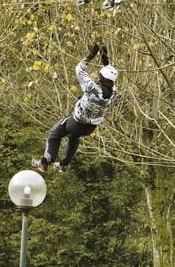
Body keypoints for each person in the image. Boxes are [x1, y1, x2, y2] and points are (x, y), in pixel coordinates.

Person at [33, 44, 117, 173]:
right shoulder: (113, 93)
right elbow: (109, 77)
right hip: (90, 127)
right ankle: (63, 164)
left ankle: (45, 162)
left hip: (75, 122)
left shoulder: (91, 87)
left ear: (101, 77)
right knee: (74, 138)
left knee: (55, 134)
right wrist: (105, 60)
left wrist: (92, 55)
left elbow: (80, 69)